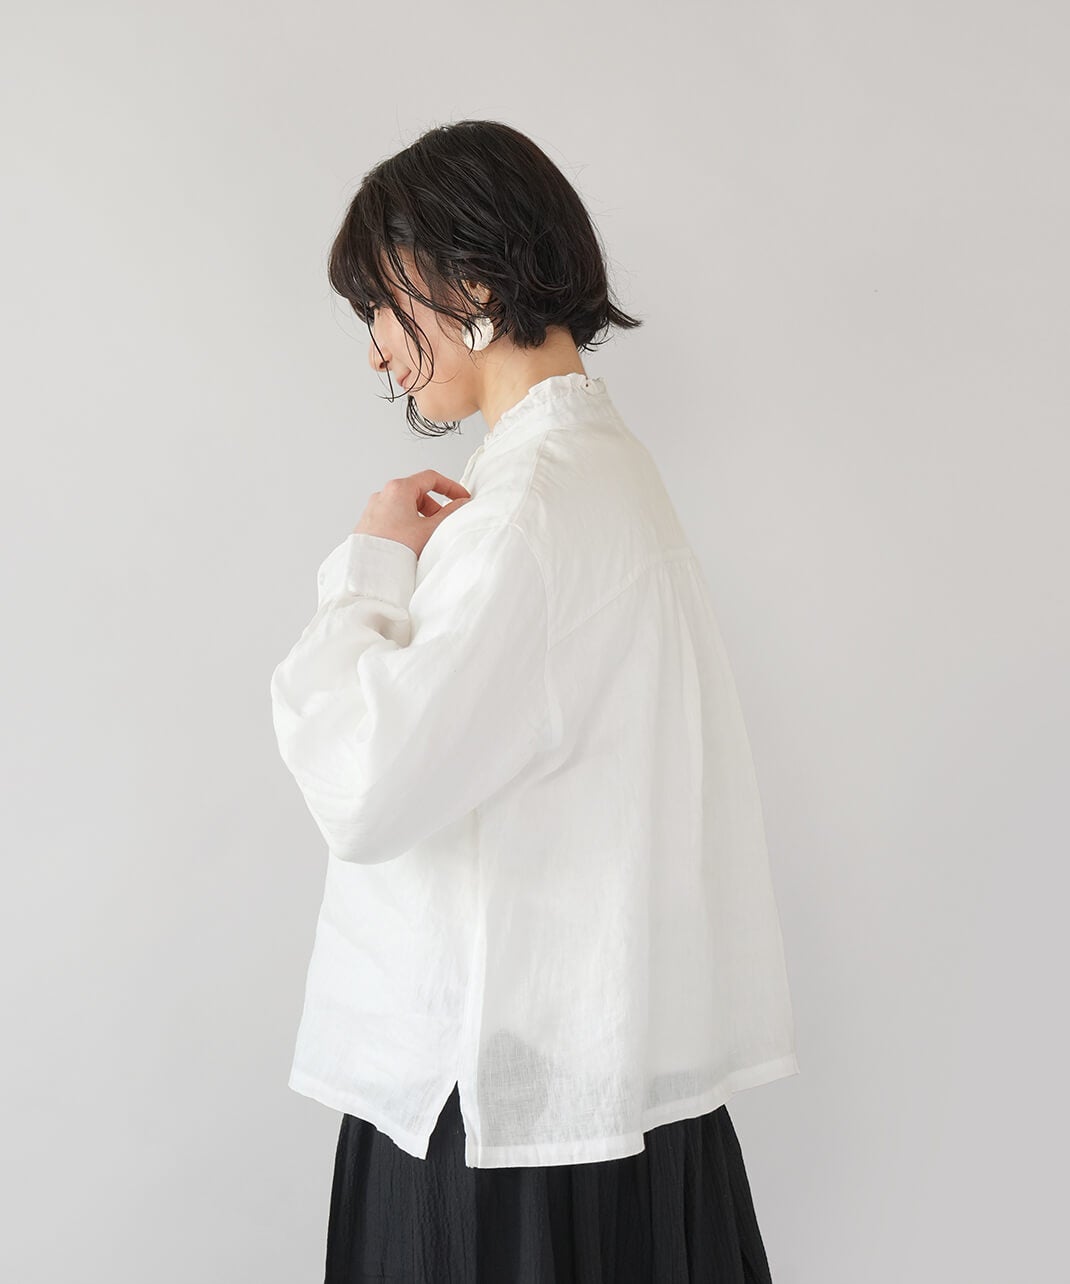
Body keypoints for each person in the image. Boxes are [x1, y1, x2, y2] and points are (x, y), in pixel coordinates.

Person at [269, 119, 800, 1283]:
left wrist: (367, 571)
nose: (376, 355)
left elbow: (365, 788)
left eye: (379, 306)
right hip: (592, 1077)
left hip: (494, 1115)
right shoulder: (602, 473)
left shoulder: (525, 511)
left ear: (469, 281)